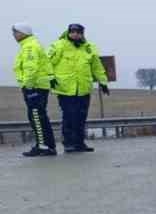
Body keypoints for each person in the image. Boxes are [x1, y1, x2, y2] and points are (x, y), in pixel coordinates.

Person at [47, 22, 110, 154]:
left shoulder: (89, 48)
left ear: (82, 34)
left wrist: (103, 82)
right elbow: (48, 63)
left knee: (81, 117)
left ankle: (79, 143)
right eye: (72, 32)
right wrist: (50, 78)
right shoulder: (59, 46)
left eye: (78, 32)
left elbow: (97, 67)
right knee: (69, 116)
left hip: (83, 88)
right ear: (68, 32)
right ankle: (69, 143)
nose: (75, 34)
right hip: (65, 89)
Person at [11, 23, 56, 157]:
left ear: (23, 33)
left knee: (36, 117)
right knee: (38, 116)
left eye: (16, 32)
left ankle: (44, 146)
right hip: (38, 86)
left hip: (34, 86)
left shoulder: (30, 46)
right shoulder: (29, 44)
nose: (14, 35)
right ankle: (45, 145)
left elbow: (31, 68)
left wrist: (29, 86)